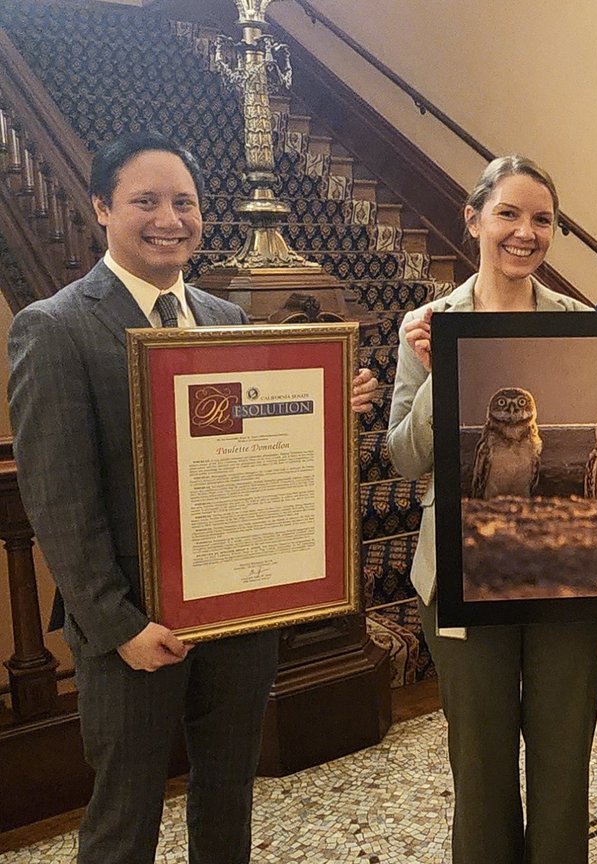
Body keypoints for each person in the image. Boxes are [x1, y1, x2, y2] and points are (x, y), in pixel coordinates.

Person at [7, 131, 378, 864]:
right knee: (125, 813)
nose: (168, 219)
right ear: (101, 208)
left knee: (229, 792)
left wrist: (336, 404)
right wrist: (118, 626)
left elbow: (250, 449)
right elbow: (58, 501)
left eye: (184, 202)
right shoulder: (54, 328)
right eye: (145, 201)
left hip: (236, 613)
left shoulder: (224, 319)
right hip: (131, 626)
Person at [387, 155, 597, 864]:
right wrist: (435, 371)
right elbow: (404, 459)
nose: (525, 231)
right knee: (478, 761)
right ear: (474, 219)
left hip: (561, 573)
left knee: (563, 753)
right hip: (458, 570)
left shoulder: (580, 323)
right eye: (509, 214)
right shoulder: (424, 324)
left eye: (542, 219)